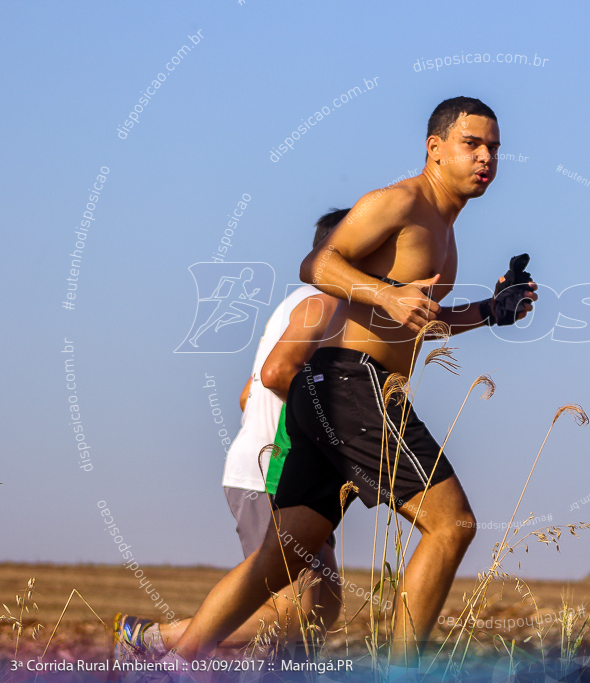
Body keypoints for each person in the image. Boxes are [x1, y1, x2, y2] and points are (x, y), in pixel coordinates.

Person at [164, 96, 537, 676]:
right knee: (453, 524)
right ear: (435, 148)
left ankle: (168, 663)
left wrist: (491, 309)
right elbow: (318, 263)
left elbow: (419, 323)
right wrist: (383, 292)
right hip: (352, 384)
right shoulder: (400, 202)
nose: (485, 157)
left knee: (280, 561)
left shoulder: (444, 231)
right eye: (472, 144)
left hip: (336, 391)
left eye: (493, 148)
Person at [114, 209, 349, 659]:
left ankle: (155, 642)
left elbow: (248, 393)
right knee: (294, 613)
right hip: (272, 473)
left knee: (321, 610)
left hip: (278, 472)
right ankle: (150, 641)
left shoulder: (301, 305)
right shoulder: (323, 303)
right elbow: (277, 373)